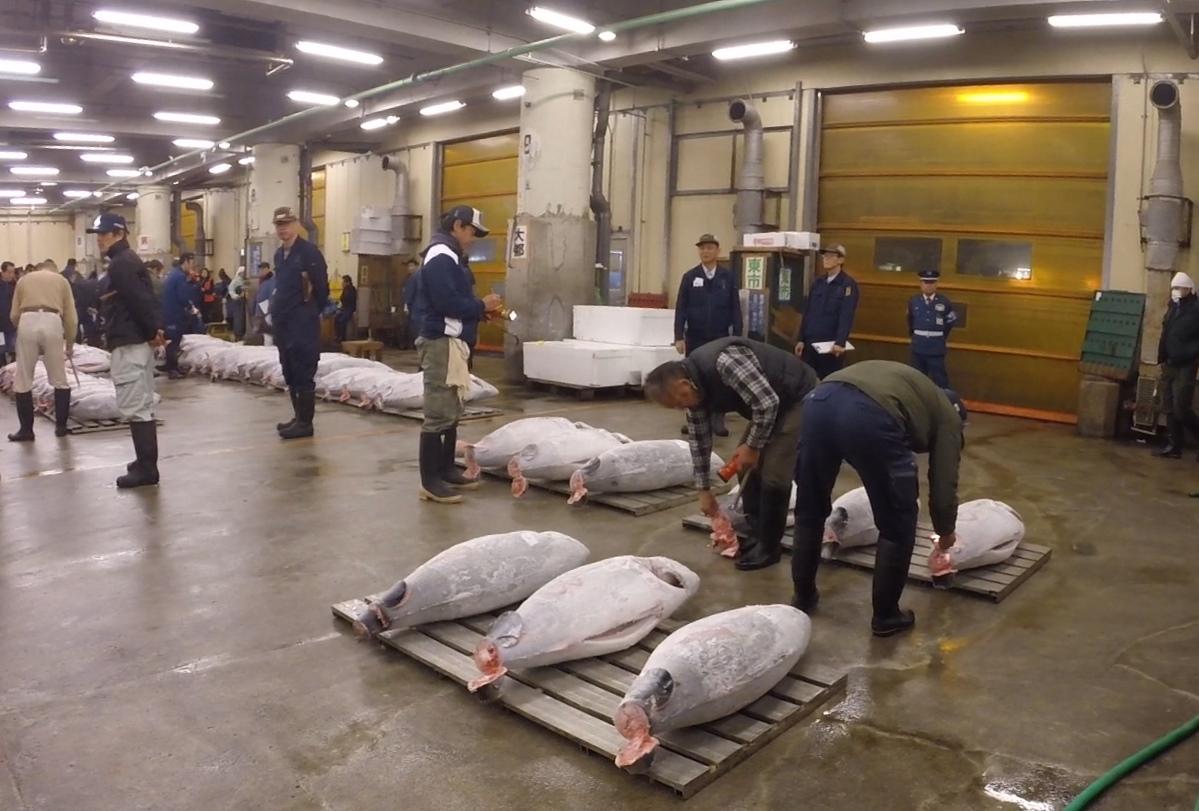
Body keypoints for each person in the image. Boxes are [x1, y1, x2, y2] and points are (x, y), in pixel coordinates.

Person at [790, 360, 967, 637]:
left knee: (809, 511)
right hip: (869, 413)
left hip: (818, 401)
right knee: (898, 523)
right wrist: (946, 531)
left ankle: (802, 597)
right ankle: (886, 615)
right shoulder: (949, 417)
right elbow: (944, 482)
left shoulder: (912, 388)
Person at [644, 337, 819, 571]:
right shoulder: (693, 395)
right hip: (768, 403)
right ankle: (756, 532)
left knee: (774, 471)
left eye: (679, 402)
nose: (682, 408)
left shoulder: (725, 362)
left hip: (799, 396)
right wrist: (703, 490)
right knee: (744, 464)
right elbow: (699, 442)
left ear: (685, 384)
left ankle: (769, 547)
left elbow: (767, 404)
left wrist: (753, 446)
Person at [415, 205, 503, 503]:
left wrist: (477, 314)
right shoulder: (442, 255)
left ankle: (445, 470)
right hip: (441, 343)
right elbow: (445, 302)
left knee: (452, 409)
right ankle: (430, 481)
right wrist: (482, 306)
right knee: (438, 412)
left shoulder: (452, 256)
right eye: (471, 231)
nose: (473, 238)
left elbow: (457, 301)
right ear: (457, 226)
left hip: (453, 343)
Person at [89, 213, 164, 488]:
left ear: (120, 233)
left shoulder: (121, 264)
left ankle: (146, 469)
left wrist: (151, 332)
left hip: (130, 342)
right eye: (98, 234)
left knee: (135, 405)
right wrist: (154, 331)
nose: (99, 239)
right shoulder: (127, 261)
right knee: (141, 402)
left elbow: (138, 301)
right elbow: (147, 299)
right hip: (136, 340)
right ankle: (144, 462)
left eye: (104, 233)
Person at [674, 234, 742, 438]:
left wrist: (738, 337)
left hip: (720, 337)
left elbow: (735, 309)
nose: (705, 252)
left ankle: (717, 419)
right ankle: (695, 419)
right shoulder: (690, 277)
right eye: (702, 248)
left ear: (717, 251)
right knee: (695, 379)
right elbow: (681, 308)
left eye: (710, 248)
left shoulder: (727, 278)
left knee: (720, 378)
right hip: (695, 337)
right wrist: (679, 336)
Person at [270, 206, 329, 440]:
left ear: (296, 225)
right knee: (290, 371)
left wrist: (311, 311)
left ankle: (306, 423)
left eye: (287, 224)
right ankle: (298, 416)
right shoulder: (279, 255)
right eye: (279, 225)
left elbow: (321, 288)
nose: (283, 229)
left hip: (302, 323)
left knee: (304, 371)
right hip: (284, 323)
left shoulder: (309, 253)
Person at [7, 258, 77, 441]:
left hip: (27, 319)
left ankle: (26, 430)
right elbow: (71, 318)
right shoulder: (61, 281)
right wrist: (69, 345)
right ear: (54, 269)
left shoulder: (23, 280)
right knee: (59, 379)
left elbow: (14, 314)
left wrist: (22, 328)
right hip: (53, 320)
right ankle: (61, 427)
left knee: (23, 379)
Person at [795, 244, 859, 379]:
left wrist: (840, 342)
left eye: (831, 256)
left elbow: (846, 315)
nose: (826, 259)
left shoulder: (847, 284)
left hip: (830, 345)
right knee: (807, 379)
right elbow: (807, 312)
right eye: (825, 256)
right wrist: (801, 339)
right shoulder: (818, 282)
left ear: (841, 260)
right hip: (810, 342)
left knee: (827, 380)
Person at [1155, 272, 1199, 459]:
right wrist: (1161, 358)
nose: (1176, 291)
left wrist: (1193, 354)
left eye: (1179, 287)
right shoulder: (1173, 307)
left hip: (1186, 364)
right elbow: (1166, 332)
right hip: (1169, 362)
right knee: (1169, 407)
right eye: (1174, 288)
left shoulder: (1196, 309)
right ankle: (1174, 446)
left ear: (1189, 289)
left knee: (1181, 408)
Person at [907, 269, 957, 388]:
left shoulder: (944, 301)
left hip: (936, 347)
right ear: (921, 284)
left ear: (936, 284)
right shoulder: (914, 301)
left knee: (940, 379)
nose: (928, 285)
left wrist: (940, 337)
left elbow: (949, 323)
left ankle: (942, 404)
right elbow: (910, 321)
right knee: (916, 379)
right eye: (925, 282)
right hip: (918, 346)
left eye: (932, 282)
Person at [162, 253, 198, 379]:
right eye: (191, 263)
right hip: (174, 314)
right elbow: (183, 296)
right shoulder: (179, 277)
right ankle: (172, 369)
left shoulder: (174, 274)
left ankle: (173, 366)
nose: (192, 267)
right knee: (173, 342)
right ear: (186, 262)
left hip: (171, 313)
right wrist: (191, 307)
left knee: (173, 341)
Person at [254, 262, 275, 346]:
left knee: (268, 334)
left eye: (263, 269)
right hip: (262, 309)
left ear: (267, 269)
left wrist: (268, 310)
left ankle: (269, 349)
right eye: (260, 269)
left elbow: (272, 295)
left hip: (268, 310)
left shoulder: (272, 281)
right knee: (265, 333)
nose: (261, 271)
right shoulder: (263, 281)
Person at [403, 258, 422, 348]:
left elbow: (409, 293)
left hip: (416, 307)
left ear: (416, 266)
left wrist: (406, 305)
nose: (410, 268)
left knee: (416, 328)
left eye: (412, 266)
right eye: (408, 266)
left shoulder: (413, 277)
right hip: (419, 307)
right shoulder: (419, 276)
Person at [226, 266, 247, 341]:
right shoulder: (236, 280)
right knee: (238, 318)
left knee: (242, 318)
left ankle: (241, 333)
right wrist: (237, 296)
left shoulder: (243, 280)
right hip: (238, 301)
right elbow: (231, 289)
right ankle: (238, 335)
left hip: (243, 301)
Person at [0, 261, 16, 363]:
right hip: (0, 324)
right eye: (9, 272)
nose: (12, 275)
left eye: (13, 272)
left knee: (13, 348)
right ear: (3, 272)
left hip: (11, 323)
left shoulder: (15, 285)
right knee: (1, 350)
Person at [336, 274, 357, 344]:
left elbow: (348, 300)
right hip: (344, 308)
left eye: (343, 282)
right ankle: (338, 336)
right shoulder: (345, 289)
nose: (342, 283)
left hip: (349, 309)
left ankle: (343, 338)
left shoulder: (351, 289)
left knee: (342, 320)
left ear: (347, 282)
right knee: (336, 318)